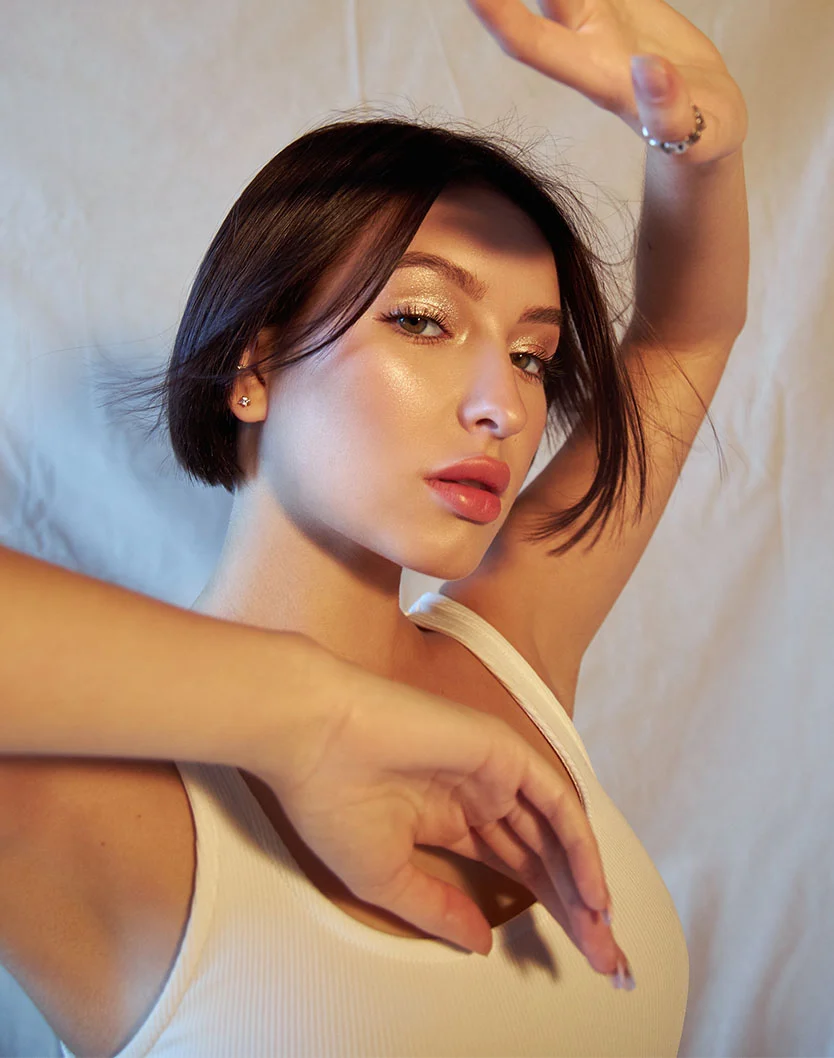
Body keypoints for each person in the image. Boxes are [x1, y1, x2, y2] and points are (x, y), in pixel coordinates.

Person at [0, 0, 749, 1054]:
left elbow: (684, 334)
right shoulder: (95, 799)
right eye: (424, 319)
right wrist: (309, 716)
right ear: (252, 366)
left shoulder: (513, 648)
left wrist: (702, 151)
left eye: (532, 354)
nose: (507, 405)